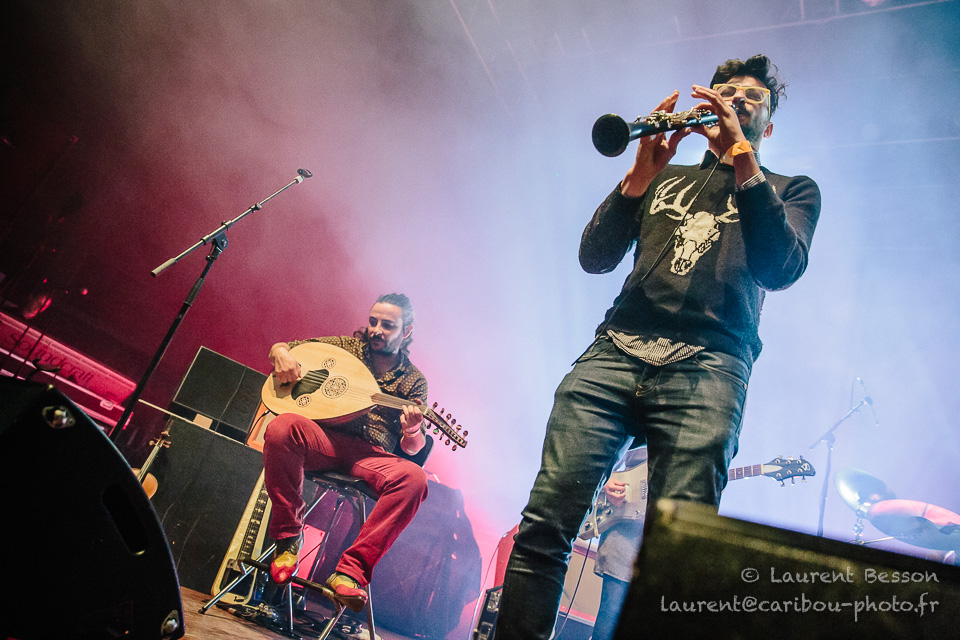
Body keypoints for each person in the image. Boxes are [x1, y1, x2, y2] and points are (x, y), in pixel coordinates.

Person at [495, 54, 821, 639]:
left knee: (676, 557)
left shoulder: (789, 189)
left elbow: (781, 268)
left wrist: (741, 159)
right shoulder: (667, 177)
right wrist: (638, 177)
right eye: (726, 90)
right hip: (615, 354)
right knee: (544, 526)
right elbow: (595, 257)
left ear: (768, 126)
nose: (737, 99)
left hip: (711, 366)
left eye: (753, 97)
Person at [262, 293, 430, 612]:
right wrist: (280, 352)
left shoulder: (414, 381)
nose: (376, 329)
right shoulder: (346, 348)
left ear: (406, 331)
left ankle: (350, 573)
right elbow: (285, 348)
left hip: (370, 454)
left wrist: (412, 430)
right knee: (282, 427)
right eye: (373, 321)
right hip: (324, 439)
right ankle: (288, 538)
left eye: (388, 325)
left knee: (415, 480)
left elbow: (413, 448)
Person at [590, 446, 647, 640]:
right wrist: (604, 480)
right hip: (624, 535)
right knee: (609, 619)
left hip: (663, 540)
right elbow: (601, 449)